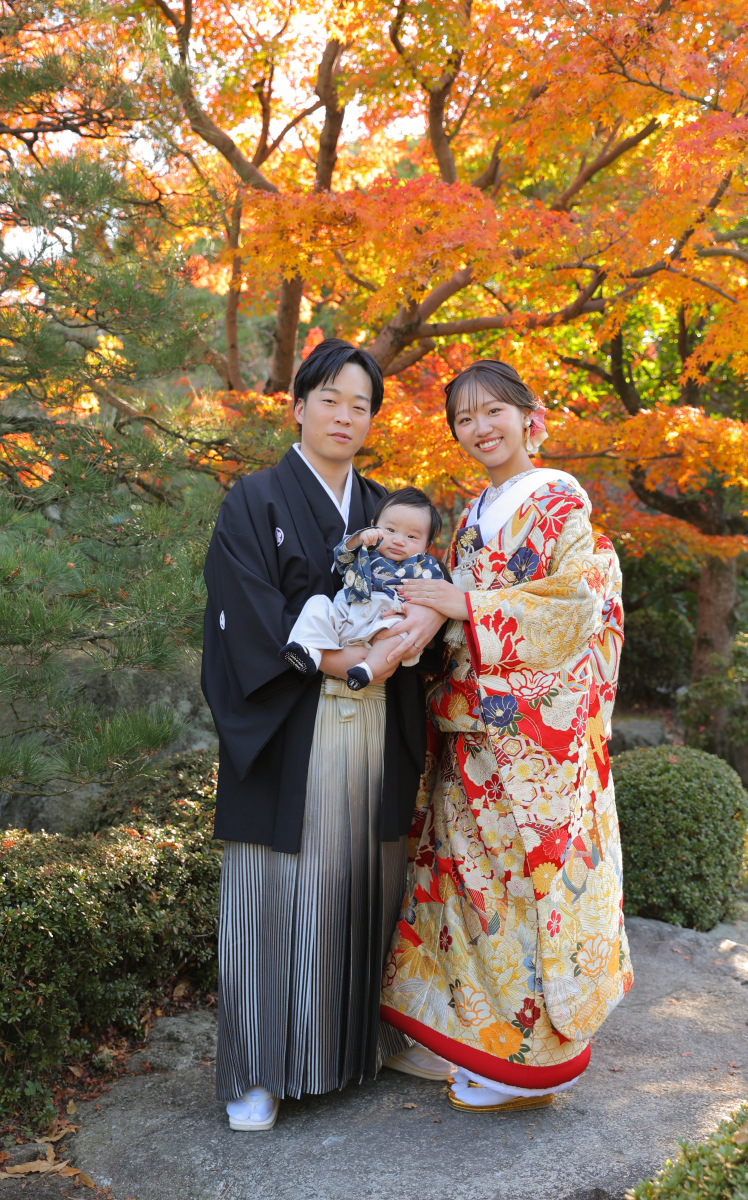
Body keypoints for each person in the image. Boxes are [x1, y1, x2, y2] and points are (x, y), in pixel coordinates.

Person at [201, 338, 453, 1133]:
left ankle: (345, 1055)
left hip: (375, 731)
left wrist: (417, 627)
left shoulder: (386, 510)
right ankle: (258, 1070)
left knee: (354, 889)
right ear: (299, 405)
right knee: (273, 896)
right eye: (332, 399)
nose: (346, 415)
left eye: (361, 405)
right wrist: (354, 662)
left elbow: (428, 596)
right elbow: (244, 616)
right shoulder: (254, 499)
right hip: (290, 726)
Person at [379, 359, 633, 1113]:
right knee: (473, 899)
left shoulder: (558, 499)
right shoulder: (476, 508)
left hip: (532, 745)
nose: (480, 427)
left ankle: (530, 1062)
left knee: (525, 896)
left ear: (532, 417)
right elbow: (456, 606)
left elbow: (571, 606)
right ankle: (481, 1047)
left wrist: (464, 601)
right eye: (464, 418)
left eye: (494, 411)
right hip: (470, 736)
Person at [281, 486, 445, 691]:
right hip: (346, 613)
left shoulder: (424, 566)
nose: (399, 540)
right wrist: (359, 539)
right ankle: (311, 651)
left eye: (412, 537)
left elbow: (435, 596)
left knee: (399, 633)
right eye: (390, 530)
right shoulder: (365, 551)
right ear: (374, 527)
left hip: (383, 623)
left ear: (427, 545)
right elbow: (340, 558)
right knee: (317, 603)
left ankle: (367, 670)